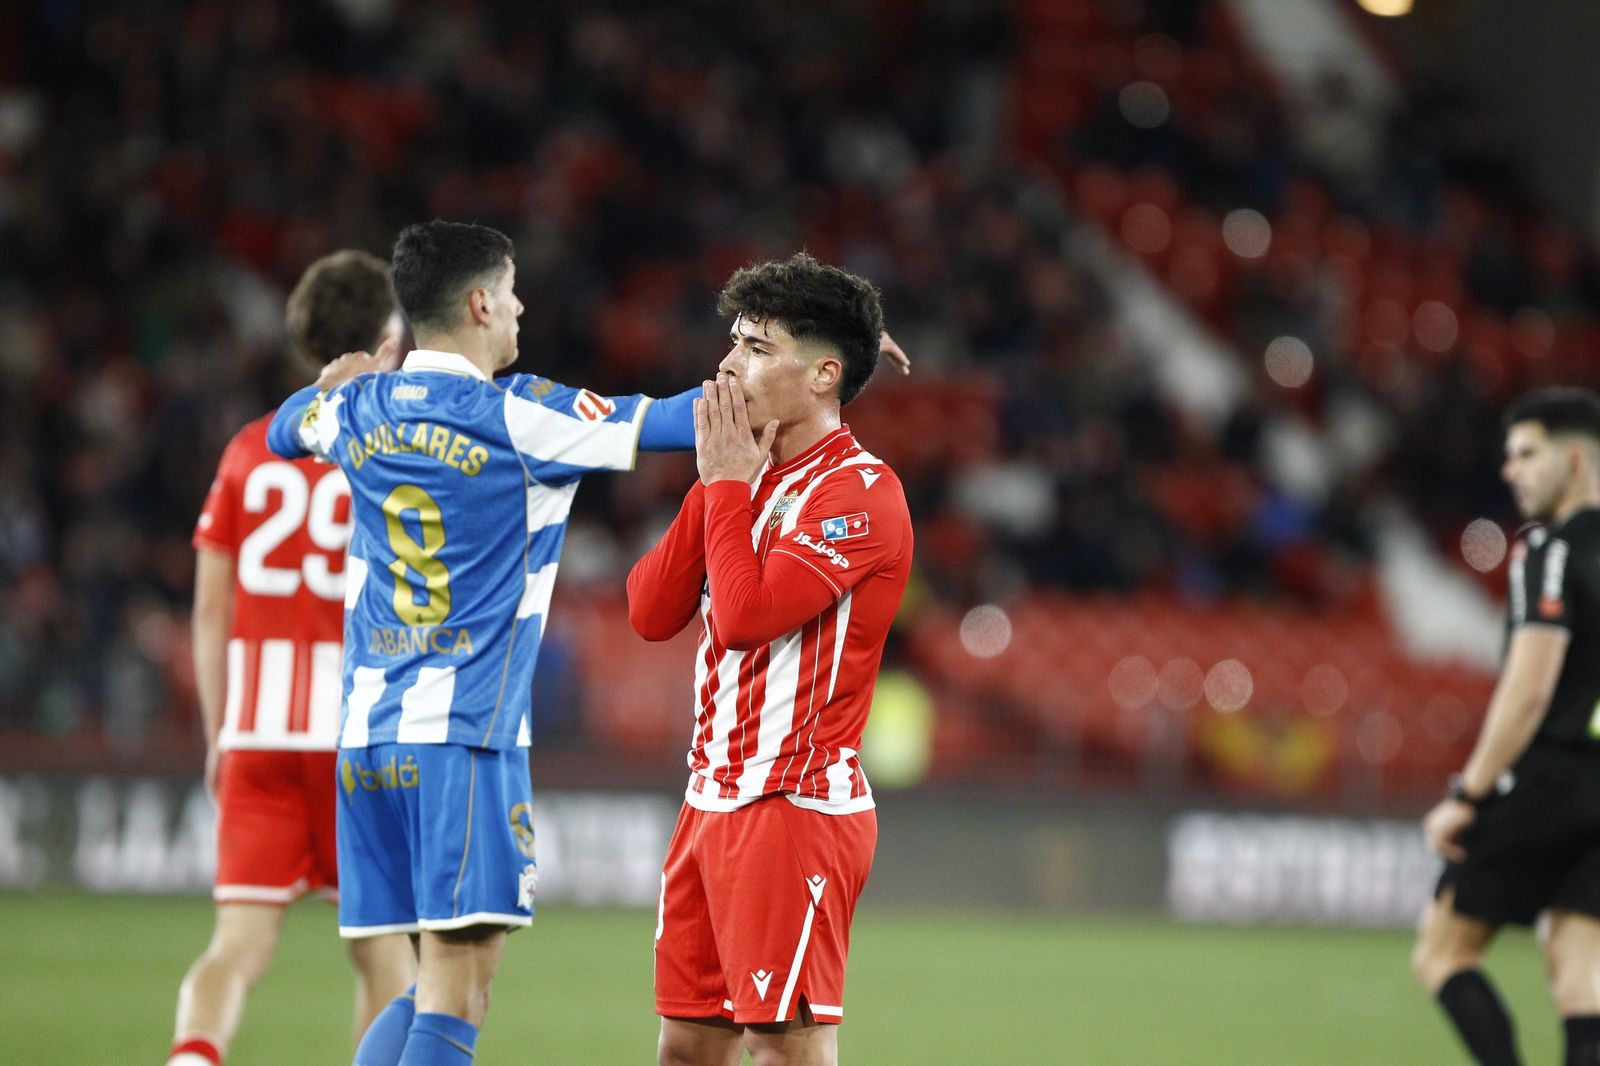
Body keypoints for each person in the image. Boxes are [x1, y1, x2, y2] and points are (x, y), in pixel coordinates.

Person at [627, 252, 913, 1066]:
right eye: (732, 342)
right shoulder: (742, 472)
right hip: (710, 798)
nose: (727, 363)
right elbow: (651, 613)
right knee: (686, 1046)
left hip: (791, 805)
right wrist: (718, 485)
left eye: (755, 346)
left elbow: (748, 617)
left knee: (782, 1049)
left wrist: (723, 486)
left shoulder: (859, 493)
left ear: (823, 374)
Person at [167, 250, 416, 1066]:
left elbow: (211, 608)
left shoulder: (249, 449)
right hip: (359, 735)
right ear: (386, 335)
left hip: (261, 728)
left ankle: (192, 1057)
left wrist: (217, 733)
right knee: (387, 956)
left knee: (236, 947)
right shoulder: (396, 445)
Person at [1413, 386, 1600, 1066]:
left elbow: (1528, 691)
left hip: (1548, 777)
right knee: (1582, 979)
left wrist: (1468, 795)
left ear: (1574, 461)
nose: (1510, 470)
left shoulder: (1548, 551)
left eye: (1526, 453)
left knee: (1441, 953)